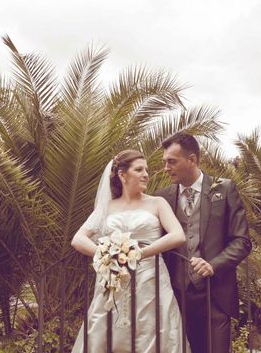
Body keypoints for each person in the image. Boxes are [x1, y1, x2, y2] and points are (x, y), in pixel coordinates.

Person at [70, 149, 190, 352]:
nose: (146, 174)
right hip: (115, 278)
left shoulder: (157, 203)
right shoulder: (106, 207)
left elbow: (177, 235)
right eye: (139, 170)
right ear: (122, 175)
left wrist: (140, 253)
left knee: (154, 328)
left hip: (151, 278)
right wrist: (107, 255)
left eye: (146, 170)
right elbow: (78, 239)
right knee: (109, 330)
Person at [155, 133, 252, 353]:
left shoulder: (225, 189)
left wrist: (213, 265)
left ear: (191, 160)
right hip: (177, 298)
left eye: (171, 161)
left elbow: (242, 241)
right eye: (164, 162)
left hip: (215, 296)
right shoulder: (162, 198)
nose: (166, 167)